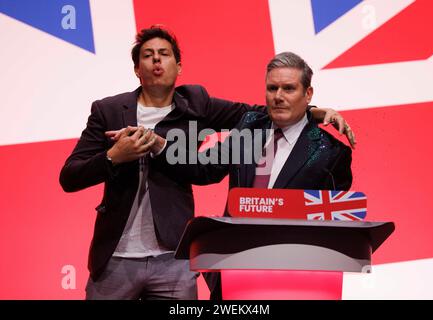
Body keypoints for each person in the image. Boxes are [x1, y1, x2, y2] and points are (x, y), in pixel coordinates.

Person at [59, 25, 355, 300]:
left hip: (174, 259)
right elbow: (70, 177)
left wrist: (314, 112)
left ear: (179, 67)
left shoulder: (196, 104)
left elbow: (265, 112)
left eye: (164, 54)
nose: (156, 61)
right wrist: (114, 157)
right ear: (137, 68)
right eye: (148, 56)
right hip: (116, 257)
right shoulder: (107, 110)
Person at [150, 51, 353, 299]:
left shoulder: (331, 152)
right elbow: (205, 168)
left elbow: (337, 226)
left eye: (289, 89)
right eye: (272, 88)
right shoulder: (249, 126)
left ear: (307, 94)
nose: (278, 97)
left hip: (294, 281)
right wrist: (159, 145)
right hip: (234, 277)